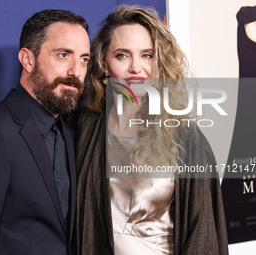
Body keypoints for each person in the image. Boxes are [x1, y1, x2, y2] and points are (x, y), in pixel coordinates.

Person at [72, 5, 229, 255]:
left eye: (147, 55)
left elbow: (203, 231)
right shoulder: (82, 128)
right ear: (104, 64)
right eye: (122, 55)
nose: (136, 68)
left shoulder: (185, 135)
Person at [0, 9, 90, 255]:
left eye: (84, 59)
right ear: (27, 60)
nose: (76, 71)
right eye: (63, 55)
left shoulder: (67, 133)